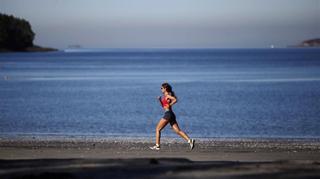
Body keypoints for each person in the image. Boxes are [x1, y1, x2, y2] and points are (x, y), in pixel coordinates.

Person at [150, 82, 195, 150]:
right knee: (177, 131)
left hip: (168, 114)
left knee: (157, 129)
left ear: (165, 88)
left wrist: (170, 104)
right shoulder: (165, 96)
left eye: (161, 88)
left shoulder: (167, 95)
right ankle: (189, 141)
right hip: (171, 114)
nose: (161, 89)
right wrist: (160, 100)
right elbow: (164, 106)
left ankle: (157, 145)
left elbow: (175, 100)